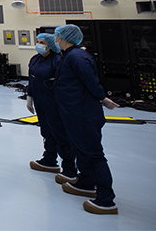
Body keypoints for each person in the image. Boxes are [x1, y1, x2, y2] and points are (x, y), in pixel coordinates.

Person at [53, 24, 119, 215]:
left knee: (93, 154)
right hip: (73, 113)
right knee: (80, 149)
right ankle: (86, 182)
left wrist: (102, 97)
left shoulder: (77, 57)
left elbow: (90, 80)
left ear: (64, 37)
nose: (55, 38)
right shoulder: (70, 55)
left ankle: (106, 200)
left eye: (57, 36)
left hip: (82, 113)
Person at [26, 33, 76, 182]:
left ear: (50, 45)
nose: (39, 44)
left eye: (42, 42)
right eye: (38, 42)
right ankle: (49, 159)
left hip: (54, 102)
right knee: (46, 130)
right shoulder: (35, 60)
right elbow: (32, 79)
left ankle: (69, 168)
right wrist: (30, 97)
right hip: (40, 101)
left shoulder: (57, 61)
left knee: (60, 133)